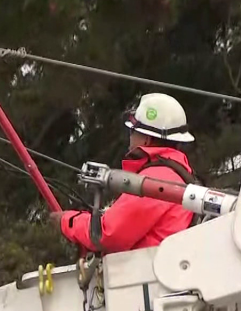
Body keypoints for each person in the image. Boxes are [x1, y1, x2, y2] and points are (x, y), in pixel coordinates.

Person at [53, 93, 197, 254]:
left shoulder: (154, 181)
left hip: (146, 275)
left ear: (146, 140)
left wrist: (66, 221)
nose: (130, 139)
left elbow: (106, 235)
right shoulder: (177, 175)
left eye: (133, 132)